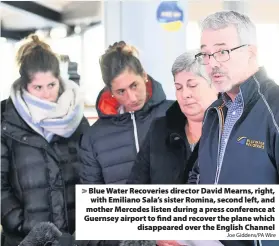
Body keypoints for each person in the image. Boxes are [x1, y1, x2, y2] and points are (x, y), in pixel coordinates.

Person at [190, 10, 279, 246]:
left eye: (222, 52)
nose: (212, 64)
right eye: (206, 54)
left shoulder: (274, 109)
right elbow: (199, 176)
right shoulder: (214, 112)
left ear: (251, 52)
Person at [1, 35, 89, 246]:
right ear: (24, 86)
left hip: (72, 238)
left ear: (60, 80)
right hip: (25, 238)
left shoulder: (76, 117)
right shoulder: (6, 120)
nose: (46, 95)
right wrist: (22, 224)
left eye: (51, 85)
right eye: (38, 88)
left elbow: (90, 173)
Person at [79, 41, 173, 185]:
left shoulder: (176, 113)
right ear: (110, 92)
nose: (132, 98)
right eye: (121, 91)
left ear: (144, 76)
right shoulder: (94, 137)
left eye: (134, 85)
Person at [127, 50, 217, 185]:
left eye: (192, 85)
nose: (185, 94)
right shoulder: (159, 130)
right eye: (178, 87)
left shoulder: (233, 132)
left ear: (215, 85)